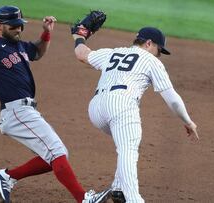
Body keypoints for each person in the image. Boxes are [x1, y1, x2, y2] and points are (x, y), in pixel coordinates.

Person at [0, 5, 111, 203]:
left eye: (20, 25)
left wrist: (46, 33)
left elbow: (37, 52)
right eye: (13, 26)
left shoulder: (18, 45)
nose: (18, 29)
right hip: (16, 111)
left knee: (54, 156)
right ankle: (85, 199)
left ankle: (8, 176)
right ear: (0, 26)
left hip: (26, 110)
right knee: (57, 152)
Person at [72, 26, 199, 202]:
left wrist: (79, 37)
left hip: (96, 109)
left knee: (128, 142)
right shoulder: (151, 61)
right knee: (128, 150)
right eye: (159, 50)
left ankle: (118, 188)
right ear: (149, 43)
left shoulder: (113, 52)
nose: (159, 55)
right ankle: (133, 199)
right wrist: (188, 121)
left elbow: (82, 54)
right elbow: (173, 100)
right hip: (121, 104)